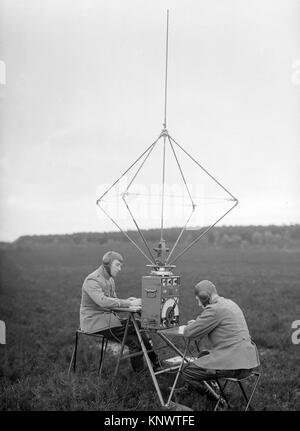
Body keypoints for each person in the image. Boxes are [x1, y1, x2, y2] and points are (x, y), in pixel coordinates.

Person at [80, 251, 161, 372]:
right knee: (138, 328)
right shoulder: (92, 280)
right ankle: (150, 367)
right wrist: (130, 304)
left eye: (120, 266)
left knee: (136, 335)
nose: (119, 269)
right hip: (96, 323)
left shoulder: (110, 280)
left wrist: (128, 301)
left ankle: (151, 366)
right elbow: (103, 302)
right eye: (117, 265)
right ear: (107, 264)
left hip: (108, 321)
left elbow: (113, 301)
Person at [181, 280, 260, 391]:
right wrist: (198, 323)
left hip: (235, 366)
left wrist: (195, 325)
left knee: (187, 371)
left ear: (204, 296)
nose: (199, 304)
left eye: (199, 300)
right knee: (203, 355)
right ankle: (213, 389)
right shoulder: (229, 303)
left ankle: (210, 396)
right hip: (249, 362)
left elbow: (189, 333)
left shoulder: (214, 309)